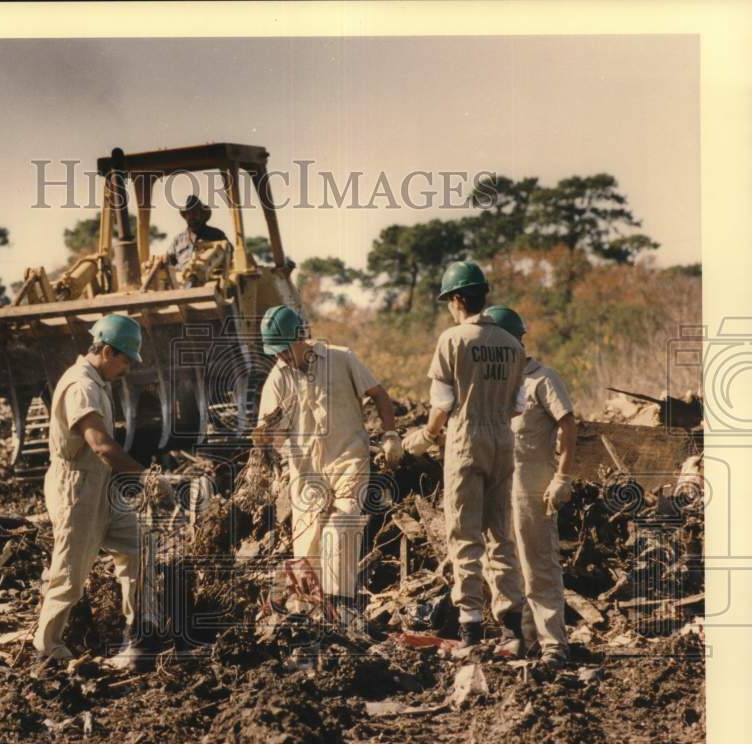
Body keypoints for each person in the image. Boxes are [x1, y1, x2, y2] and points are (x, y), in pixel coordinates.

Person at [252, 305, 403, 634]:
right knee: (307, 550)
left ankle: (344, 612)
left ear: (299, 338)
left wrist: (390, 435)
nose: (281, 358)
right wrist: (268, 439)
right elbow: (267, 433)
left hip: (348, 460)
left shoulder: (340, 358)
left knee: (341, 531)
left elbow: (379, 395)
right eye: (274, 353)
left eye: (283, 350)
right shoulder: (278, 377)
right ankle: (310, 622)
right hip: (306, 473)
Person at [32, 314, 169, 670]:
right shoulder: (82, 386)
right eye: (125, 360)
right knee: (69, 574)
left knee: (137, 547)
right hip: (77, 488)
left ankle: (141, 634)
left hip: (100, 487)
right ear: (108, 351)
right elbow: (101, 445)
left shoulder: (97, 382)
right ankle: (45, 651)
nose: (127, 369)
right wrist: (148, 478)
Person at [402, 261, 526, 651]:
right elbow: (519, 405)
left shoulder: (452, 340)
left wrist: (424, 436)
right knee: (500, 535)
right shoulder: (511, 343)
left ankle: (471, 628)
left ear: (457, 299)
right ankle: (512, 629)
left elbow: (442, 405)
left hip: (466, 440)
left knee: (464, 534)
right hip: (504, 442)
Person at [483, 305, 577, 669]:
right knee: (503, 562)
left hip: (532, 483)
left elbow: (568, 425)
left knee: (538, 562)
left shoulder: (542, 379)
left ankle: (553, 642)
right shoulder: (495, 382)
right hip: (499, 483)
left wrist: (562, 477)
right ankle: (518, 637)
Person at [166, 195, 233, 269]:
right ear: (185, 216)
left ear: (202, 214)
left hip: (210, 277)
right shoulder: (178, 239)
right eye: (189, 213)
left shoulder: (216, 235)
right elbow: (169, 260)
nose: (192, 216)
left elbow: (229, 252)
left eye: (195, 212)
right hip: (181, 277)